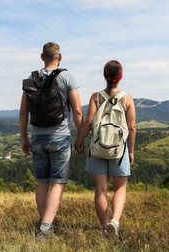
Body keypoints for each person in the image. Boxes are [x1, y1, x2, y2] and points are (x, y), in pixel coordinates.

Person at [19, 42, 83, 237]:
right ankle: (45, 228)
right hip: (60, 136)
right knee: (57, 183)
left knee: (42, 183)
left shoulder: (32, 78)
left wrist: (24, 139)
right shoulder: (67, 77)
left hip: (37, 137)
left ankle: (44, 224)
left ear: (42, 57)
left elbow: (23, 113)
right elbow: (78, 110)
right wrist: (81, 138)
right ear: (60, 57)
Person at [75, 60, 136, 237]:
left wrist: (79, 141)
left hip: (98, 147)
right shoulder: (127, 98)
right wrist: (130, 151)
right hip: (119, 150)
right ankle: (115, 222)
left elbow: (88, 122)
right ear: (121, 76)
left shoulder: (96, 97)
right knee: (119, 188)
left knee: (100, 189)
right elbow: (132, 128)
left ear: (104, 76)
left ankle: (103, 228)